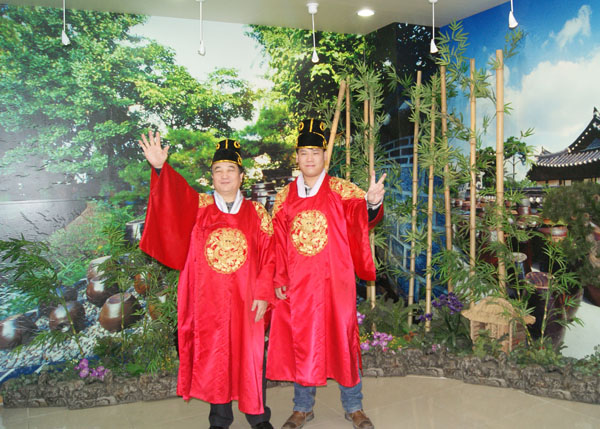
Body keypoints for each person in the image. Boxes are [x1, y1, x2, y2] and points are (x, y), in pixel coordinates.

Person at [138, 131, 275, 429]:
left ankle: (258, 416)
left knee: (252, 356)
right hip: (207, 300)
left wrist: (265, 294)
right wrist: (161, 169)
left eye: (231, 170)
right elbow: (172, 199)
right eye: (218, 170)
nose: (224, 175)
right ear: (211, 177)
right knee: (216, 355)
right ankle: (220, 418)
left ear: (241, 177)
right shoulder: (198, 208)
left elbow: (270, 257)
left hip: (248, 300)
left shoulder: (257, 213)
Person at [266, 119, 385, 429]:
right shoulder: (284, 196)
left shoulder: (341, 190)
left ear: (324, 157)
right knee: (302, 341)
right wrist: (279, 279)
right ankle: (302, 408)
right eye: (304, 152)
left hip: (336, 282)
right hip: (299, 285)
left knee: (344, 339)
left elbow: (361, 217)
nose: (309, 158)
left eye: (315, 152)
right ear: (297, 157)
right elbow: (277, 242)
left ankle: (354, 406)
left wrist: (372, 203)